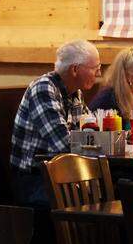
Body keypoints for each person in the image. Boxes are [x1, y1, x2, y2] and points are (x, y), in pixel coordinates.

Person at [9, 40, 101, 207]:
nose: (99, 74)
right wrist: (100, 142)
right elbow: (64, 144)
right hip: (33, 180)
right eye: (95, 68)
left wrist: (98, 140)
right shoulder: (44, 88)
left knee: (111, 191)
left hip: (61, 174)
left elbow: (93, 130)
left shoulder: (75, 93)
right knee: (96, 199)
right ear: (75, 69)